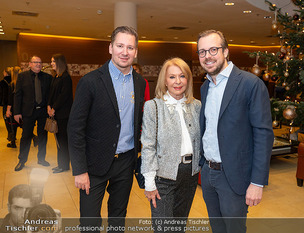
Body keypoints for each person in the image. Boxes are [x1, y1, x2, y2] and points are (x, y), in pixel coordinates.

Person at [68, 26, 146, 232]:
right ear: (110, 48)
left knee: (118, 218)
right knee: (89, 221)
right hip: (93, 164)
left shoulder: (140, 82)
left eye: (130, 47)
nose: (125, 52)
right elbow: (75, 128)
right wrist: (80, 169)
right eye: (120, 46)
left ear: (136, 52)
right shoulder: (90, 81)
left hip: (126, 162)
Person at [197, 30, 274, 233]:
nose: (207, 56)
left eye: (213, 49)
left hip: (234, 176)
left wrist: (257, 182)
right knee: (217, 228)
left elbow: (263, 135)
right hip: (208, 173)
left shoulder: (250, 84)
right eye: (202, 52)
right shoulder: (205, 87)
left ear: (226, 52)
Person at [141, 58, 201, 232]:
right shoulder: (153, 107)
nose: (177, 81)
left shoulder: (196, 105)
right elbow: (148, 146)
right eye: (172, 77)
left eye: (182, 76)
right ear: (165, 81)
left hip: (189, 175)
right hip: (163, 177)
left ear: (188, 80)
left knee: (178, 226)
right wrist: (149, 182)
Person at [13, 56, 52, 171]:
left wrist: (50, 108)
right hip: (28, 111)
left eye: (40, 62)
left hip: (43, 112)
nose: (38, 64)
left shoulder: (48, 78)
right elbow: (17, 95)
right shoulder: (22, 77)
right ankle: (22, 160)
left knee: (43, 136)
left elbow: (50, 95)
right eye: (35, 62)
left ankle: (41, 159)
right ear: (30, 64)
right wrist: (16, 112)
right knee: (25, 136)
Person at [48, 54, 73, 174]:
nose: (51, 63)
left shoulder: (66, 78)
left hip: (63, 115)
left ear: (59, 62)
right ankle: (61, 164)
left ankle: (64, 166)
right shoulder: (56, 76)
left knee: (63, 141)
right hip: (56, 113)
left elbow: (64, 96)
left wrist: (54, 108)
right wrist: (49, 105)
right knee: (58, 140)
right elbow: (51, 94)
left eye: (53, 61)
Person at [5, 66, 21, 148]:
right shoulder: (23, 84)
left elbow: (10, 99)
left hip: (14, 108)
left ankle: (13, 142)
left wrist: (8, 110)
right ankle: (32, 137)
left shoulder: (12, 85)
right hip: (23, 108)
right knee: (24, 125)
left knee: (13, 126)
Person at [1, 67, 12, 145]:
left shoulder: (2, 82)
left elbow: (2, 94)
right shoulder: (14, 80)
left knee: (7, 121)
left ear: (5, 73)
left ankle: (11, 136)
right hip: (13, 104)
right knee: (14, 122)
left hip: (5, 104)